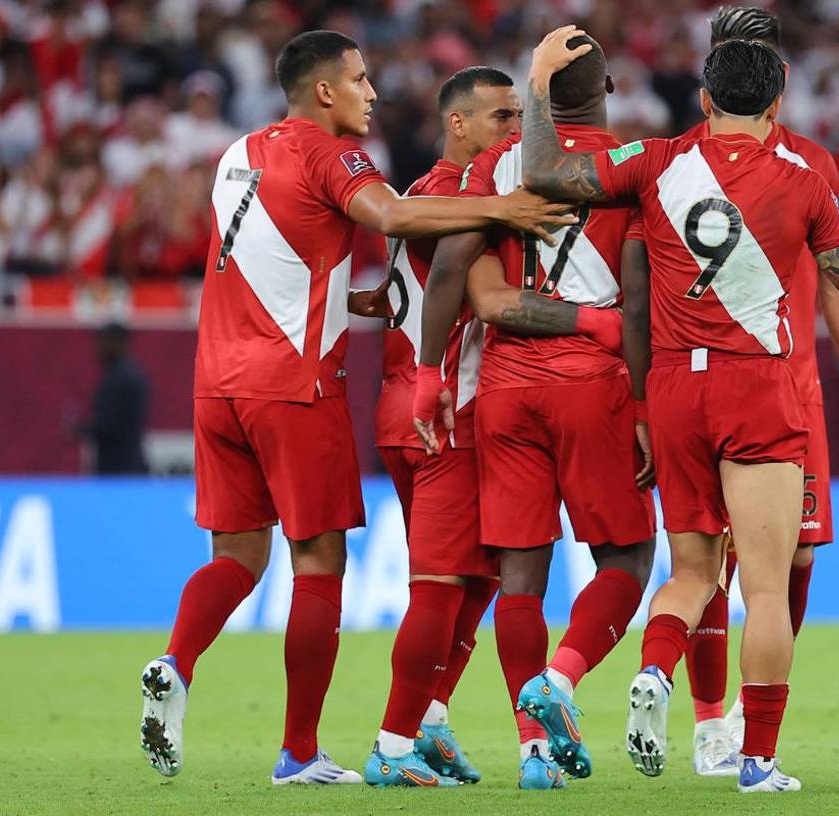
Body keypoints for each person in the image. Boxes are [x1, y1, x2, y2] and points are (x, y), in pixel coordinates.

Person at [137, 30, 576, 787]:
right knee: (319, 563)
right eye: (362, 80)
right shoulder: (328, 151)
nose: (374, 94)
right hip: (294, 386)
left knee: (239, 558)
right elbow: (395, 217)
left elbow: (274, 261)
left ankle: (176, 662)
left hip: (216, 382)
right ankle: (301, 752)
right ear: (325, 91)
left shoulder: (237, 153)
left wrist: (366, 301)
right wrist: (504, 207)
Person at [519, 29, 839, 793]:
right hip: (757, 386)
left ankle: (654, 672)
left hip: (676, 390)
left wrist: (540, 82)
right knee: (767, 587)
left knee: (692, 572)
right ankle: (757, 759)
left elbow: (542, 172)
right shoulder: (804, 180)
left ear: (705, 100)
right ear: (778, 104)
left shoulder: (653, 162)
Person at [354, 64, 622, 789]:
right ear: (458, 125)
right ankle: (394, 743)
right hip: (445, 408)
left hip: (412, 401)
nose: (515, 130)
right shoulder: (454, 198)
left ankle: (434, 719)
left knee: (481, 582)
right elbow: (459, 286)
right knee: (444, 588)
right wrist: (508, 210)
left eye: (517, 114)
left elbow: (392, 290)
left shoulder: (434, 195)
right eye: (501, 118)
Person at [414, 32, 655, 788]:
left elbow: (452, 264)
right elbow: (641, 292)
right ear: (608, 85)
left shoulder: (495, 165)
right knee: (625, 557)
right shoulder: (631, 166)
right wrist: (645, 403)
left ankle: (533, 755)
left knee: (521, 575)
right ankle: (560, 679)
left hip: (507, 388)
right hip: (595, 385)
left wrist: (429, 372)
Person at [678, 6, 839, 778]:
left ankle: (747, 708)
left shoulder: (812, 164)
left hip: (792, 387)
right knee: (710, 563)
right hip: (715, 386)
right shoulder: (680, 164)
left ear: (781, 76)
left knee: (795, 560)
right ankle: (709, 723)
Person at [80, 321, 150, 475]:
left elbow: (110, 424)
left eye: (102, 340)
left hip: (121, 468)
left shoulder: (122, 378)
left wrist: (81, 429)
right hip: (123, 464)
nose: (97, 347)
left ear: (117, 342)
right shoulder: (121, 374)